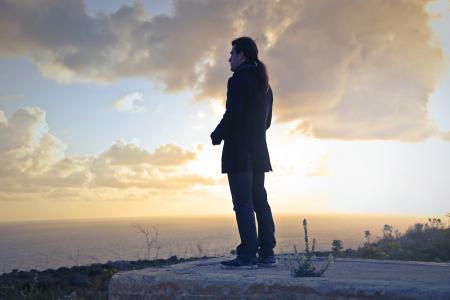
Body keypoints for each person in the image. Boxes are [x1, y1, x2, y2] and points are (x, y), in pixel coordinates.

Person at [210, 37, 276, 269]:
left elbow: (233, 114)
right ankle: (267, 253)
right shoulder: (265, 84)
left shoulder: (238, 80)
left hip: (239, 152)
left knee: (243, 204)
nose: (229, 58)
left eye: (232, 53)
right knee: (260, 201)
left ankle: (247, 255)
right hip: (258, 151)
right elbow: (266, 123)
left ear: (242, 55)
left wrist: (217, 134)